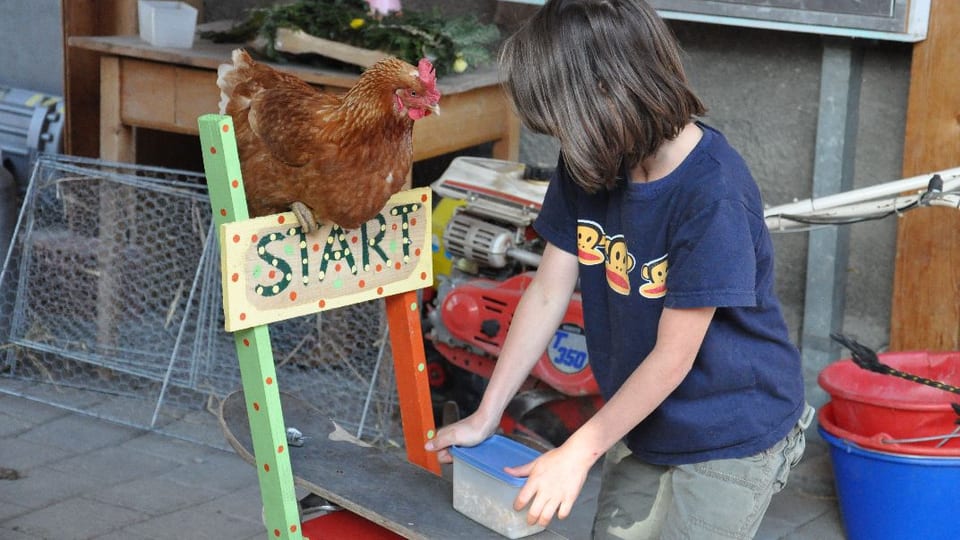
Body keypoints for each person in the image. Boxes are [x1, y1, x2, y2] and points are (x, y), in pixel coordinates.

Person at [424, 1, 812, 538]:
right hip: (643, 413)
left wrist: (577, 451)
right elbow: (545, 293)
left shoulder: (712, 191)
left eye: (564, 121)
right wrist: (488, 412)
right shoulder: (591, 158)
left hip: (732, 429)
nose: (562, 138)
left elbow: (675, 358)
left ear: (609, 94)